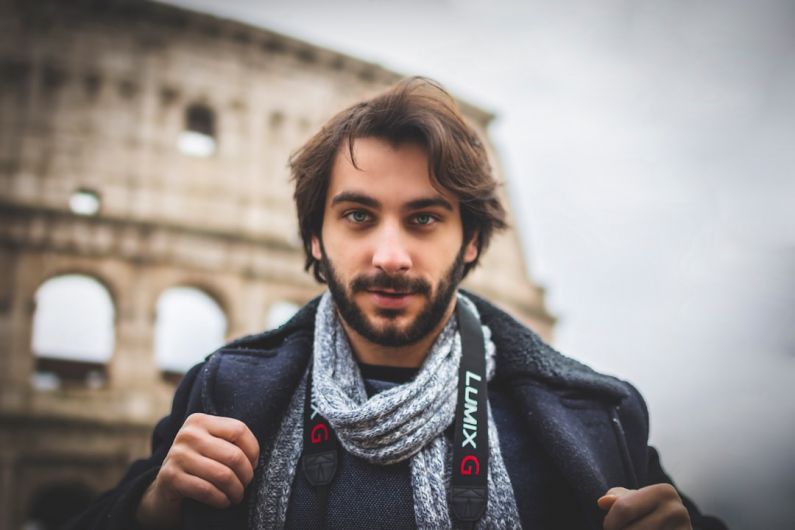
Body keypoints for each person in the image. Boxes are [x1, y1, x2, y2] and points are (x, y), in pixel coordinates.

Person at [67, 78, 725, 530]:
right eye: (357, 216)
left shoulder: (595, 416)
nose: (388, 255)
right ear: (315, 241)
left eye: (423, 219)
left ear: (470, 243)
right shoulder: (224, 390)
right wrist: (150, 508)